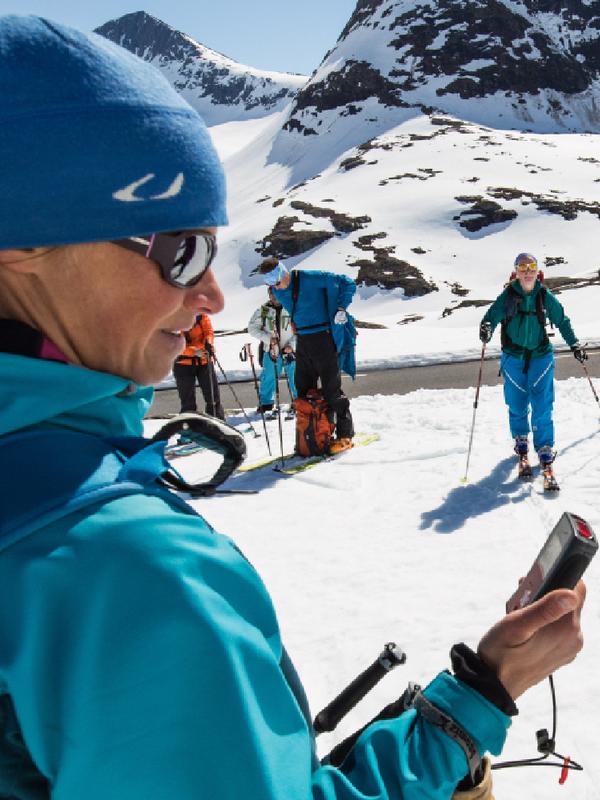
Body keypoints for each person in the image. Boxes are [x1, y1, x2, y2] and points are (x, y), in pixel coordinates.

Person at [0, 17, 586, 800]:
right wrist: (475, 703)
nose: (211, 294)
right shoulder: (123, 571)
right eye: (183, 250)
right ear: (22, 246)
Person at [479, 252, 587, 475]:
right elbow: (491, 316)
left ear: (537, 271)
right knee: (516, 402)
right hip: (512, 357)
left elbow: (562, 320)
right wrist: (486, 328)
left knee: (542, 404)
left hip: (541, 357)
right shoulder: (508, 295)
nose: (527, 271)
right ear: (516, 272)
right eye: (522, 267)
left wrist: (574, 344)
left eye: (531, 266)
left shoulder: (544, 295)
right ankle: (520, 439)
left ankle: (544, 446)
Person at [255, 257, 356, 454]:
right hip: (303, 341)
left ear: (284, 271)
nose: (276, 287)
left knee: (331, 391)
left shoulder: (310, 278)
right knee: (303, 392)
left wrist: (342, 307)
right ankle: (310, 437)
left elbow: (347, 282)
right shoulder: (277, 290)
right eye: (270, 284)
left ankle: (346, 434)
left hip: (324, 338)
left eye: (277, 281)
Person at [247, 287, 297, 415]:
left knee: (295, 376)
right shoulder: (264, 310)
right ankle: (266, 404)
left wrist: (292, 345)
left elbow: (300, 330)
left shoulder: (292, 307)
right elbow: (252, 328)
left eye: (277, 295)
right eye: (272, 296)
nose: (274, 299)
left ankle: (298, 401)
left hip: (290, 350)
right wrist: (269, 339)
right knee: (268, 376)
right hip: (271, 350)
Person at [173, 312, 225, 419]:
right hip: (183, 364)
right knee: (188, 403)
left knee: (213, 398)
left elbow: (208, 331)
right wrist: (195, 351)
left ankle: (217, 425)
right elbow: (175, 343)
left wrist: (208, 343)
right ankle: (190, 429)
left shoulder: (200, 314)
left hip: (204, 360)